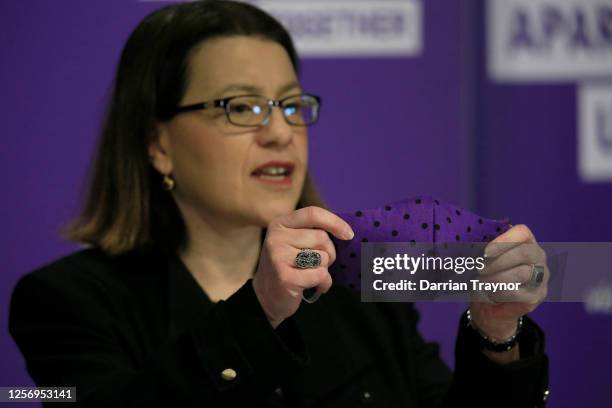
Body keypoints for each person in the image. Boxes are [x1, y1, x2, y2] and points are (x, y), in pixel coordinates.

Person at [9, 1, 550, 407]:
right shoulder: (66, 303)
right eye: (241, 107)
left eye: (291, 106)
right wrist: (259, 310)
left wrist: (496, 336)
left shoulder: (360, 283)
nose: (279, 132)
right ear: (158, 144)